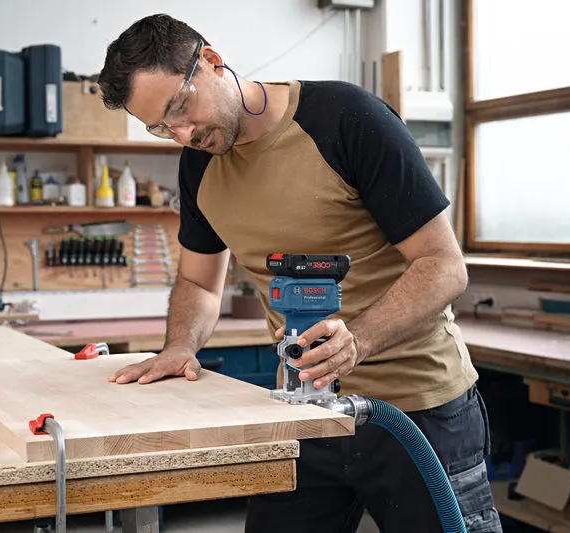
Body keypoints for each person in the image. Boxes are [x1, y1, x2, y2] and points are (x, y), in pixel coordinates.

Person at [97, 13, 503, 533]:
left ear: (213, 62)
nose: (182, 133)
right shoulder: (199, 163)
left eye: (180, 108)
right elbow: (200, 282)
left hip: (418, 411)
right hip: (302, 409)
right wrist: (181, 347)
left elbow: (444, 267)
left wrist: (357, 340)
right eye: (159, 128)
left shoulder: (346, 119)